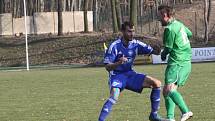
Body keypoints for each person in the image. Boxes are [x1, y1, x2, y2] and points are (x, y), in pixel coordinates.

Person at [98, 21, 166, 121]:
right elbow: (107, 67)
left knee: (157, 83)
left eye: (133, 31)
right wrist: (118, 63)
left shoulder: (136, 44)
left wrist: (158, 49)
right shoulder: (115, 46)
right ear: (122, 31)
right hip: (117, 76)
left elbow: (154, 51)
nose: (132, 34)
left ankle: (154, 115)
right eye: (129, 31)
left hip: (130, 74)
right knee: (114, 96)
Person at [158, 5, 193, 121]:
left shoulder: (170, 29)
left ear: (165, 15)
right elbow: (189, 34)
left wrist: (162, 54)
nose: (159, 19)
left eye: (159, 16)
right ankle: (170, 118)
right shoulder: (179, 24)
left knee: (169, 90)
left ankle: (186, 111)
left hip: (177, 63)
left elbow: (167, 48)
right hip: (184, 61)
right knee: (166, 91)